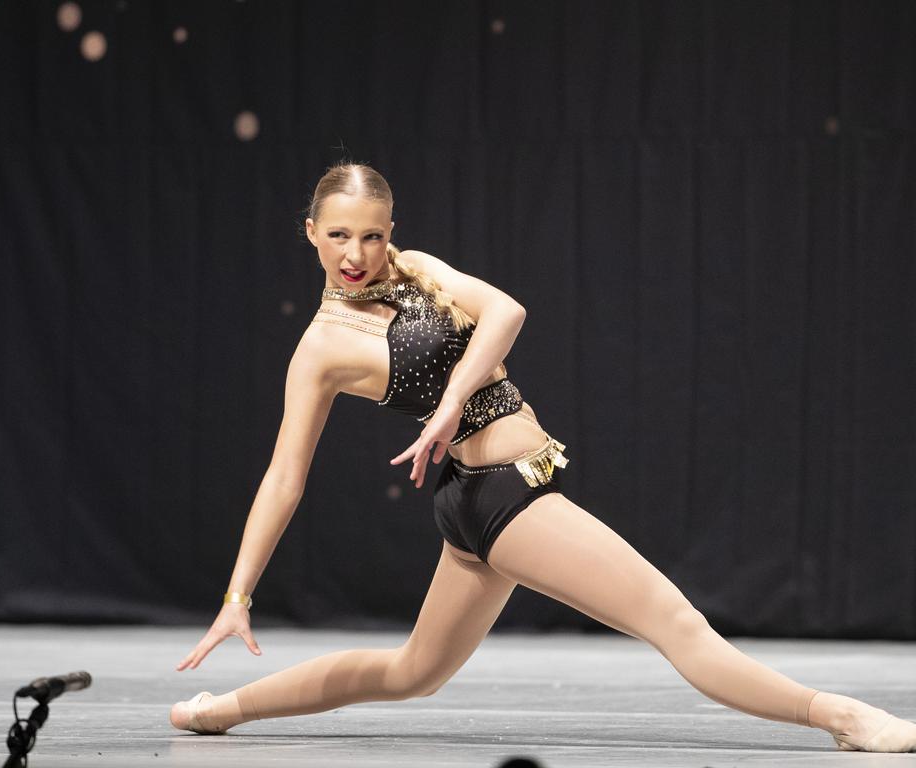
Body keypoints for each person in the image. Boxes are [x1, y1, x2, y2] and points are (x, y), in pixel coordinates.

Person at [169, 162, 916, 752]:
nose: (357, 254)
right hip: (503, 499)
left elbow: (506, 312)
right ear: (310, 232)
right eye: (338, 236)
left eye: (370, 235)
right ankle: (841, 716)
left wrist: (454, 399)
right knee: (677, 624)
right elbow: (284, 477)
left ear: (390, 228)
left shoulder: (419, 269)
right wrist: (238, 597)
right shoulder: (321, 349)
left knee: (411, 674)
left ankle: (220, 713)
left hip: (485, 493)